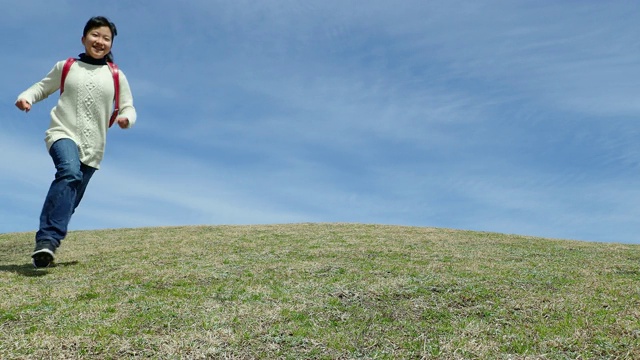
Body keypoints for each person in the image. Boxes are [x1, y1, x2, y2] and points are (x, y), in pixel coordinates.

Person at [15, 16, 137, 268]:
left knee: (69, 201)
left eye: (106, 38)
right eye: (95, 35)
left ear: (111, 44)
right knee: (69, 172)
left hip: (94, 147)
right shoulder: (67, 66)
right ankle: (47, 239)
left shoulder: (115, 75)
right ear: (83, 38)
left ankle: (46, 252)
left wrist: (126, 118)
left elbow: (128, 106)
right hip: (62, 133)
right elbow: (42, 87)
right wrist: (26, 97)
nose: (99, 41)